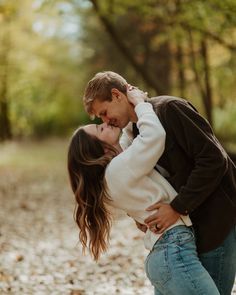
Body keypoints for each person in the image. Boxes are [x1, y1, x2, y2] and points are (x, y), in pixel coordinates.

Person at [83, 71, 236, 295]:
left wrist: (176, 207)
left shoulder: (169, 109)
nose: (106, 121)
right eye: (100, 119)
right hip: (187, 235)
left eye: (104, 113)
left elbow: (214, 160)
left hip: (216, 224)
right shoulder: (136, 134)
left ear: (117, 95)